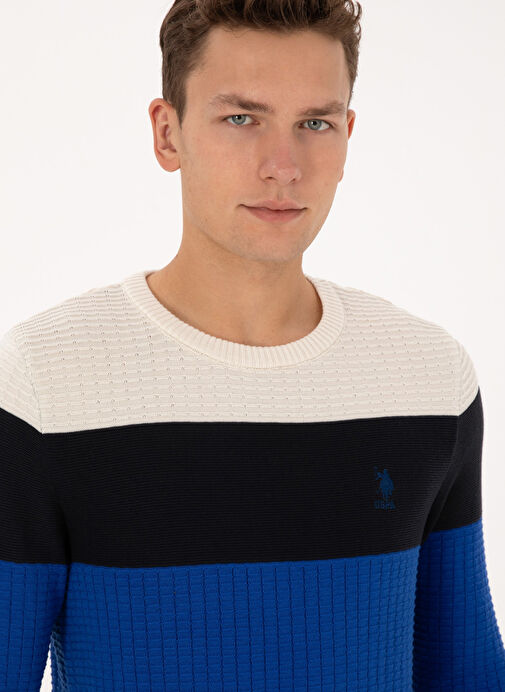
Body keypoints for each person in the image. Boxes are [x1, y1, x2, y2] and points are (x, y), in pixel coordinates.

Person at [1, 0, 504, 689]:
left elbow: (467, 674)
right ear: (167, 134)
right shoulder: (47, 384)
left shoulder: (428, 382)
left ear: (347, 135)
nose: (282, 166)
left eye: (315, 123)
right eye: (242, 118)